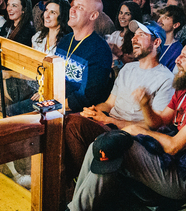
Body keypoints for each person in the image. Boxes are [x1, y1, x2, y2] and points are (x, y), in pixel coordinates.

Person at [60, 35, 186, 211]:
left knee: (115, 145)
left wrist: (135, 130)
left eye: (184, 57)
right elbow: (159, 122)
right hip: (171, 163)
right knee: (103, 145)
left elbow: (174, 146)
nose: (177, 59)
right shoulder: (184, 90)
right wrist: (146, 105)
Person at [63, 20, 175, 184]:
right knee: (65, 120)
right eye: (135, 34)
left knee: (74, 124)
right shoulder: (128, 69)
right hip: (110, 124)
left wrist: (110, 120)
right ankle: (73, 183)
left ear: (156, 42)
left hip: (132, 136)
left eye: (141, 35)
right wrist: (92, 111)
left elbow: (154, 125)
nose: (134, 38)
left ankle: (81, 184)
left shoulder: (166, 78)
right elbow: (109, 104)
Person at [56, 0, 114, 114]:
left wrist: (52, 106)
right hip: (53, 102)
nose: (72, 10)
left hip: (73, 112)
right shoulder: (65, 40)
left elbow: (86, 97)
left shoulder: (99, 51)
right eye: (74, 5)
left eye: (80, 7)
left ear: (93, 16)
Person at [106, 1, 144, 69]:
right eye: (121, 13)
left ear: (134, 16)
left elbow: (135, 64)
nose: (122, 17)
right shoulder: (115, 35)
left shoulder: (137, 38)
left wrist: (118, 52)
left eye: (127, 14)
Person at [156, 5, 186, 71]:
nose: (159, 20)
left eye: (165, 18)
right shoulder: (152, 40)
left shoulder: (177, 49)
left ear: (175, 25)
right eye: (160, 16)